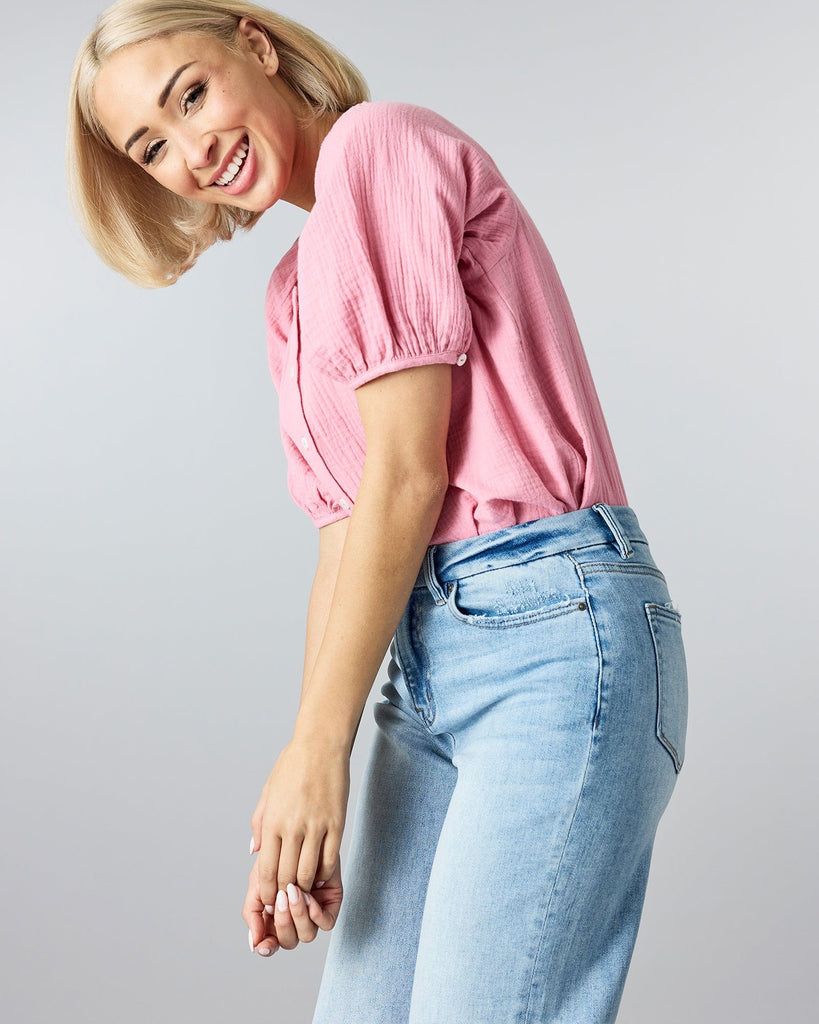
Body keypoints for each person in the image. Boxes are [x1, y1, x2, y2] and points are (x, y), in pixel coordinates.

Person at [68, 2, 689, 1021]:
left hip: (555, 635)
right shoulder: (291, 294)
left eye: (191, 94)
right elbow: (346, 535)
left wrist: (319, 749)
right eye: (153, 146)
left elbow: (408, 476)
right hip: (423, 669)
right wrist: (300, 793)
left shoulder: (378, 143)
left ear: (254, 47)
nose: (193, 147)